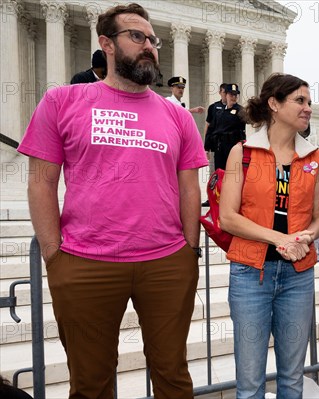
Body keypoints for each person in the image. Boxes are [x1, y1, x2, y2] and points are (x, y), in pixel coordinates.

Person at [17, 3, 208, 398]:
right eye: (137, 37)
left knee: (173, 376)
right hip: (85, 263)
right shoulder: (62, 102)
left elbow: (190, 187)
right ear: (106, 43)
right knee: (90, 383)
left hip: (167, 263)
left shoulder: (178, 117)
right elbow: (40, 183)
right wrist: (55, 255)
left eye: (152, 40)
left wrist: (189, 250)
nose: (149, 47)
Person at [219, 73, 319, 399]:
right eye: (300, 100)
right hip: (251, 275)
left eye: (309, 101)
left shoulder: (314, 158)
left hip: (298, 276)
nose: (308, 107)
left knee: (293, 380)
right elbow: (227, 217)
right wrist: (279, 239)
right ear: (274, 104)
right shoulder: (243, 152)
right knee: (250, 384)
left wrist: (306, 237)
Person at [212, 83, 247, 170]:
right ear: (226, 95)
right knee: (219, 172)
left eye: (235, 95)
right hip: (221, 148)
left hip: (234, 146)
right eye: (231, 94)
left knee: (233, 172)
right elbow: (213, 129)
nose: (234, 97)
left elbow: (248, 121)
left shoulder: (241, 110)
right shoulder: (220, 112)